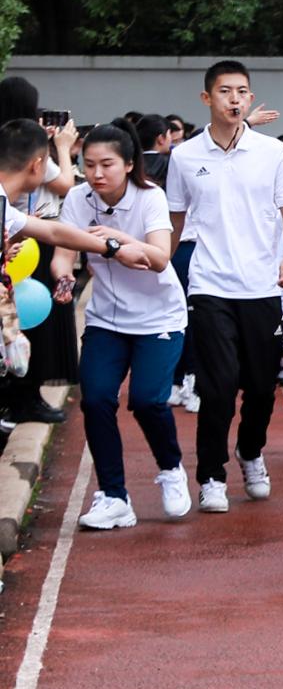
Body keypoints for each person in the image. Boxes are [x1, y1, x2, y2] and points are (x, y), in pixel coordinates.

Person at [165, 61, 283, 511]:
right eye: (225, 91)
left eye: (242, 91)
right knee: (218, 387)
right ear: (207, 98)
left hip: (262, 286)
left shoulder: (272, 152)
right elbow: (174, 220)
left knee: (262, 388)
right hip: (209, 286)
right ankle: (211, 475)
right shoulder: (185, 156)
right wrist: (160, 264)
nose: (235, 99)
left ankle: (250, 451)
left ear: (250, 97)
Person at [57, 126, 190, 530]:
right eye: (88, 165)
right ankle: (114, 496)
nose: (96, 174)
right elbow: (63, 251)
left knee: (148, 401)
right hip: (107, 318)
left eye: (107, 164)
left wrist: (114, 237)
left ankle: (171, 469)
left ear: (129, 164)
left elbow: (160, 257)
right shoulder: (77, 199)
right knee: (96, 399)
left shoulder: (150, 197)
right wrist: (63, 276)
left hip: (158, 317)